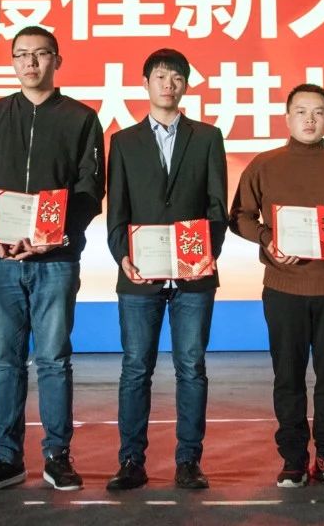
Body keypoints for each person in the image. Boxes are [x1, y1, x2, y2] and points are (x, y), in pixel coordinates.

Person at [0, 26, 105, 492]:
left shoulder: (81, 118)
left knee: (54, 359)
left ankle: (57, 456)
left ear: (57, 60)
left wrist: (54, 235)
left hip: (55, 259)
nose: (31, 63)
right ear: (12, 61)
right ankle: (6, 458)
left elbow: (90, 188)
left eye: (41, 54)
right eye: (21, 54)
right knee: (4, 360)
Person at [229, 84, 324, 488]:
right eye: (301, 111)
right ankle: (293, 458)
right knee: (288, 377)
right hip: (284, 289)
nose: (309, 120)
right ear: (287, 117)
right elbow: (239, 216)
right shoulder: (265, 165)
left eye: (317, 112)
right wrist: (267, 239)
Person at [104, 49, 228, 491]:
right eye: (160, 76)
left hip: (195, 276)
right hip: (139, 276)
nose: (168, 84)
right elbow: (117, 211)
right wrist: (123, 256)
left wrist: (206, 253)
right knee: (136, 368)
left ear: (186, 85)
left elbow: (217, 206)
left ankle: (189, 461)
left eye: (176, 77)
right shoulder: (124, 141)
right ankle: (130, 461)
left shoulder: (208, 137)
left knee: (191, 367)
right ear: (145, 83)